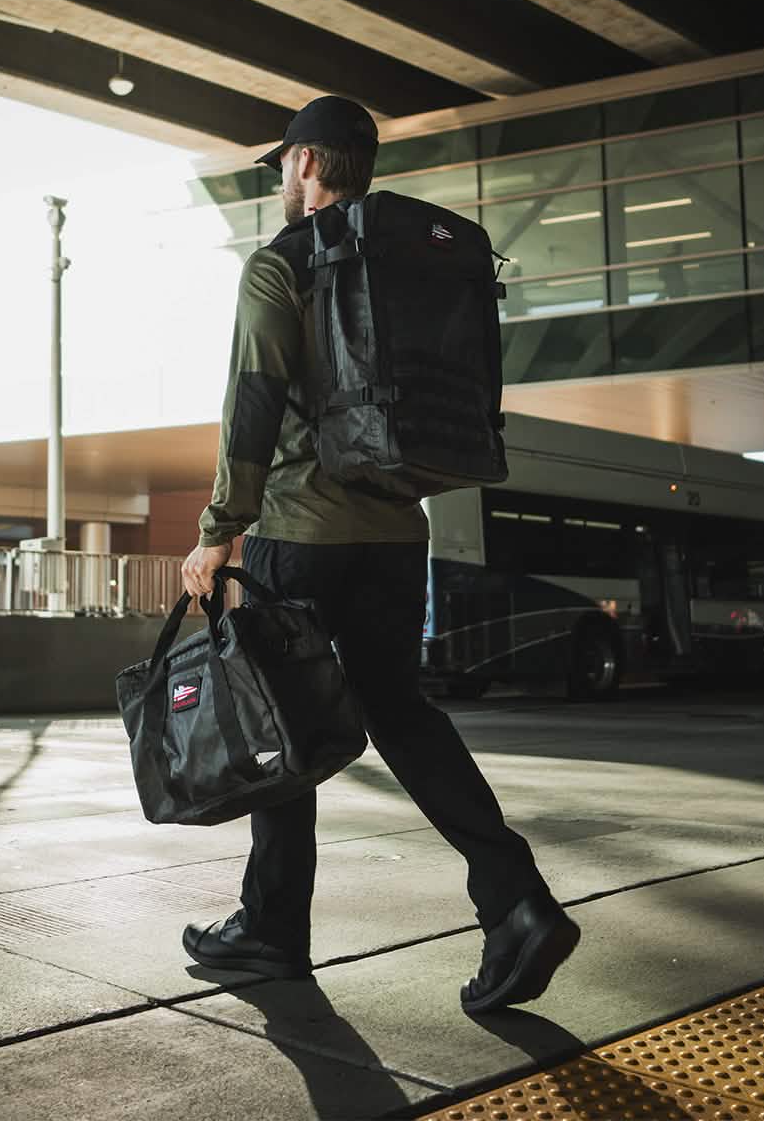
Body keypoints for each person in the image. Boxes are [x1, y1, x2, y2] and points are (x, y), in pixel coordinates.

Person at [179, 96, 579, 1014]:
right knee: (402, 715)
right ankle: (515, 900)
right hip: (399, 534)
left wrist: (218, 528)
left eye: (285, 163)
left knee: (283, 723)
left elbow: (253, 399)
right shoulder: (411, 264)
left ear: (307, 162)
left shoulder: (283, 262)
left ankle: (272, 929)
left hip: (299, 534)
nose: (283, 179)